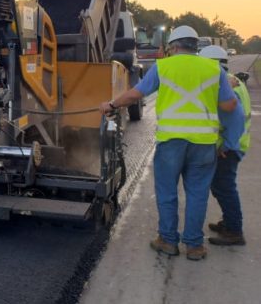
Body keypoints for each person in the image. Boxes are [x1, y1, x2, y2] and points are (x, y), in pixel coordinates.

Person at [99, 25, 238, 261]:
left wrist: (111, 105)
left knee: (167, 193)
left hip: (171, 142)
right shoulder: (214, 69)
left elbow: (135, 95)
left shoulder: (163, 67)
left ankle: (168, 241)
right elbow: (229, 106)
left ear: (173, 46)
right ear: (196, 46)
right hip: (204, 143)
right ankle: (194, 246)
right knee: (197, 194)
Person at [199, 45, 251, 246]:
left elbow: (236, 119)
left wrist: (227, 145)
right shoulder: (233, 82)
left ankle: (235, 231)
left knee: (225, 187)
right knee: (221, 186)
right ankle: (229, 222)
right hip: (235, 144)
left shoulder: (228, 87)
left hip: (230, 148)